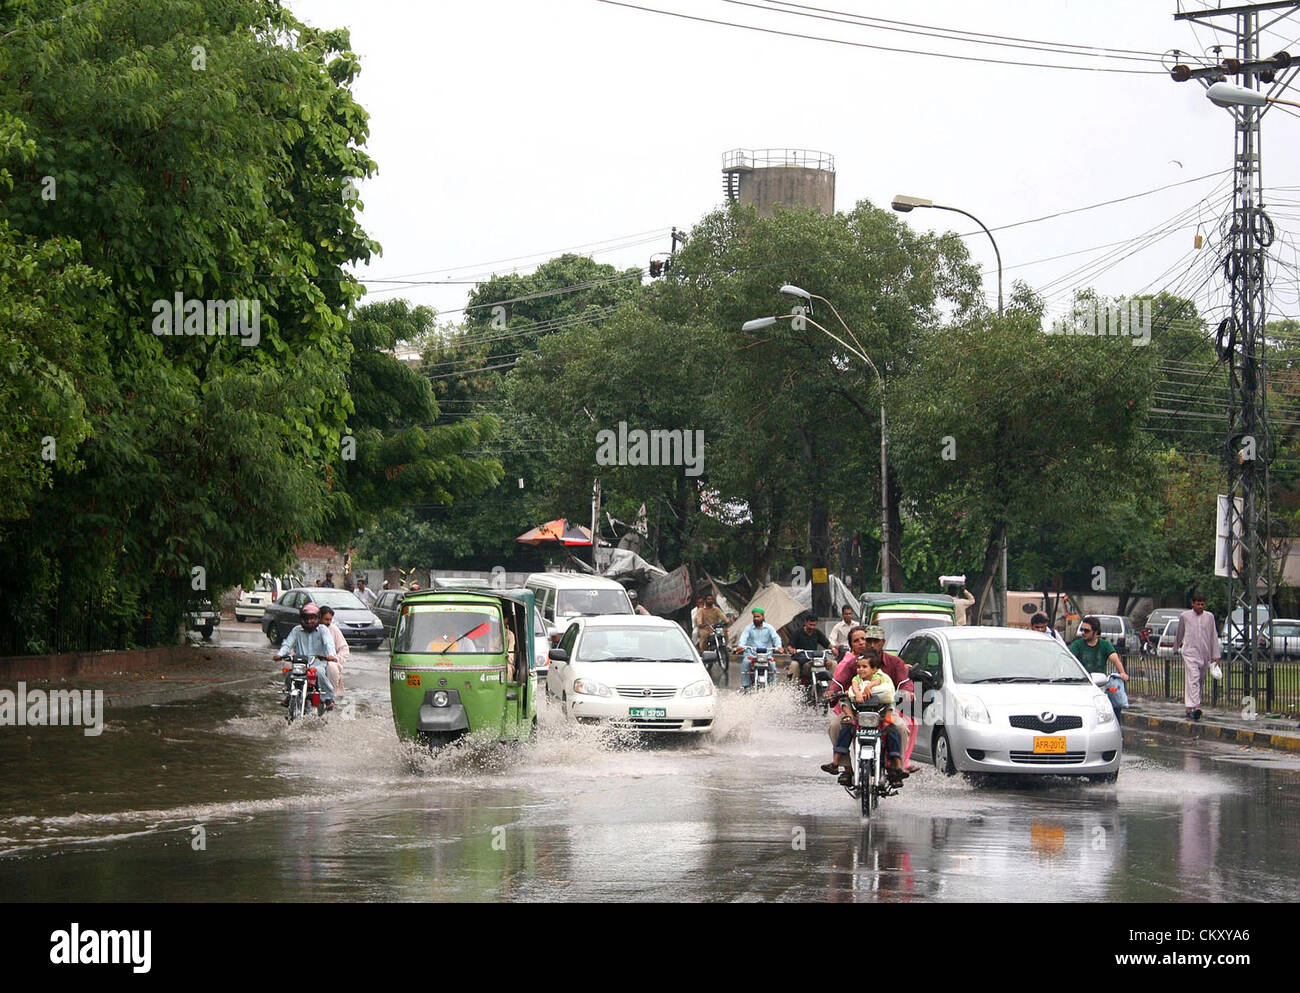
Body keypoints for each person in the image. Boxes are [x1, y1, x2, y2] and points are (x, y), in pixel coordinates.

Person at [826, 626, 916, 771]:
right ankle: (847, 768)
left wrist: (907, 692)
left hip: (884, 709)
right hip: (857, 710)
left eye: (876, 641)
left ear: (883, 642)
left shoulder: (895, 662)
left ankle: (896, 768)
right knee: (835, 727)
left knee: (900, 728)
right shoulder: (855, 663)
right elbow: (839, 682)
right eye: (869, 641)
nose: (872, 645)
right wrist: (831, 692)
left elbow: (905, 683)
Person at [272, 603, 338, 708]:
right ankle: (290, 695)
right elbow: (287, 644)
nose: (309, 621)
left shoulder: (323, 630)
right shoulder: (296, 630)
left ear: (317, 618)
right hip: (300, 664)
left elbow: (328, 643)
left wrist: (330, 655)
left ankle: (328, 698)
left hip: (317, 663)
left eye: (312, 618)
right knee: (289, 674)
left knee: (320, 673)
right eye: (306, 618)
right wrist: (280, 654)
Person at [1070, 615, 1129, 719]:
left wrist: (1122, 673)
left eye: (1087, 630)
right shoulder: (1077, 645)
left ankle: (1117, 730)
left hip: (1100, 686)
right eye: (1082, 630)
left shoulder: (1105, 644)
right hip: (1081, 685)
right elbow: (1070, 661)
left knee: (1114, 705)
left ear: (1096, 632)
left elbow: (1115, 659)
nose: (1083, 633)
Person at [1174, 594, 1221, 722]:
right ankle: (1196, 706)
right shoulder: (1185, 616)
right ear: (1192, 604)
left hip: (1204, 654)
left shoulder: (1209, 617)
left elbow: (1213, 636)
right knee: (1193, 678)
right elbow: (1180, 632)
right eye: (1198, 604)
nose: (1200, 606)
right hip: (1189, 652)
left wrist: (1215, 655)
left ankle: (1189, 708)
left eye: (1202, 604)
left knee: (1199, 680)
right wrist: (1176, 647)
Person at [737, 607, 783, 689]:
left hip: (766, 655)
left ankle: (773, 686)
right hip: (751, 654)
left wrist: (779, 647)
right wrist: (741, 646)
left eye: (758, 617)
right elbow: (743, 638)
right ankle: (745, 686)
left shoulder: (769, 628)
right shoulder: (748, 628)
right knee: (745, 663)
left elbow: (776, 638)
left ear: (763, 617)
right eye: (754, 617)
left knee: (772, 665)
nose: (756, 619)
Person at [785, 613, 831, 683]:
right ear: (805, 622)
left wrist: (833, 649)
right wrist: (791, 649)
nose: (812, 627)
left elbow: (827, 644)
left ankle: (832, 689)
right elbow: (790, 645)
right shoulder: (797, 632)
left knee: (832, 664)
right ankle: (793, 688)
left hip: (814, 659)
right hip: (800, 659)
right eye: (810, 625)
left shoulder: (817, 632)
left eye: (814, 625)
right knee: (794, 665)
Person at [318, 604, 351, 695]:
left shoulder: (333, 630)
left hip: (328, 662)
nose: (328, 622)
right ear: (319, 618)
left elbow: (344, 649)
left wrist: (336, 659)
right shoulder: (309, 628)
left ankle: (330, 696)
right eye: (326, 619)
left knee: (332, 667)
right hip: (312, 661)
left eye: (330, 620)